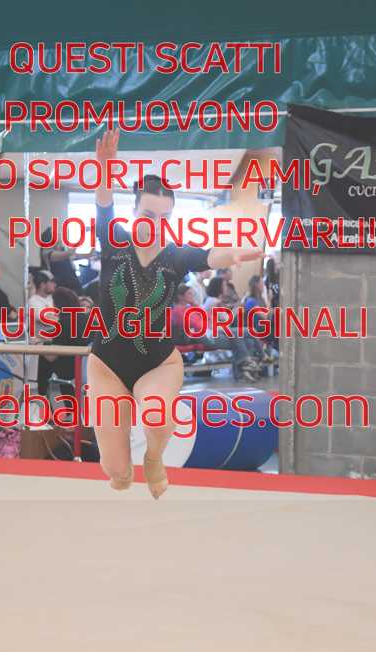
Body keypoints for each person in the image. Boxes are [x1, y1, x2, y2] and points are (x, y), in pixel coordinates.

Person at [88, 128, 263, 498]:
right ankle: (126, 470)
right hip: (106, 365)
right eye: (148, 214)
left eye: (164, 217)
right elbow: (103, 204)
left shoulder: (176, 255)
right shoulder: (114, 241)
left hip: (157, 364)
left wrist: (230, 255)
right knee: (117, 473)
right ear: (134, 212)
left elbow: (209, 256)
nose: (155, 223)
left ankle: (154, 457)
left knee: (155, 414)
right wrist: (104, 169)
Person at [39, 229, 82, 295]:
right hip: (61, 285)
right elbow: (69, 253)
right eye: (56, 234)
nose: (59, 234)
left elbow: (85, 255)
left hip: (73, 282)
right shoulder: (47, 252)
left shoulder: (63, 249)